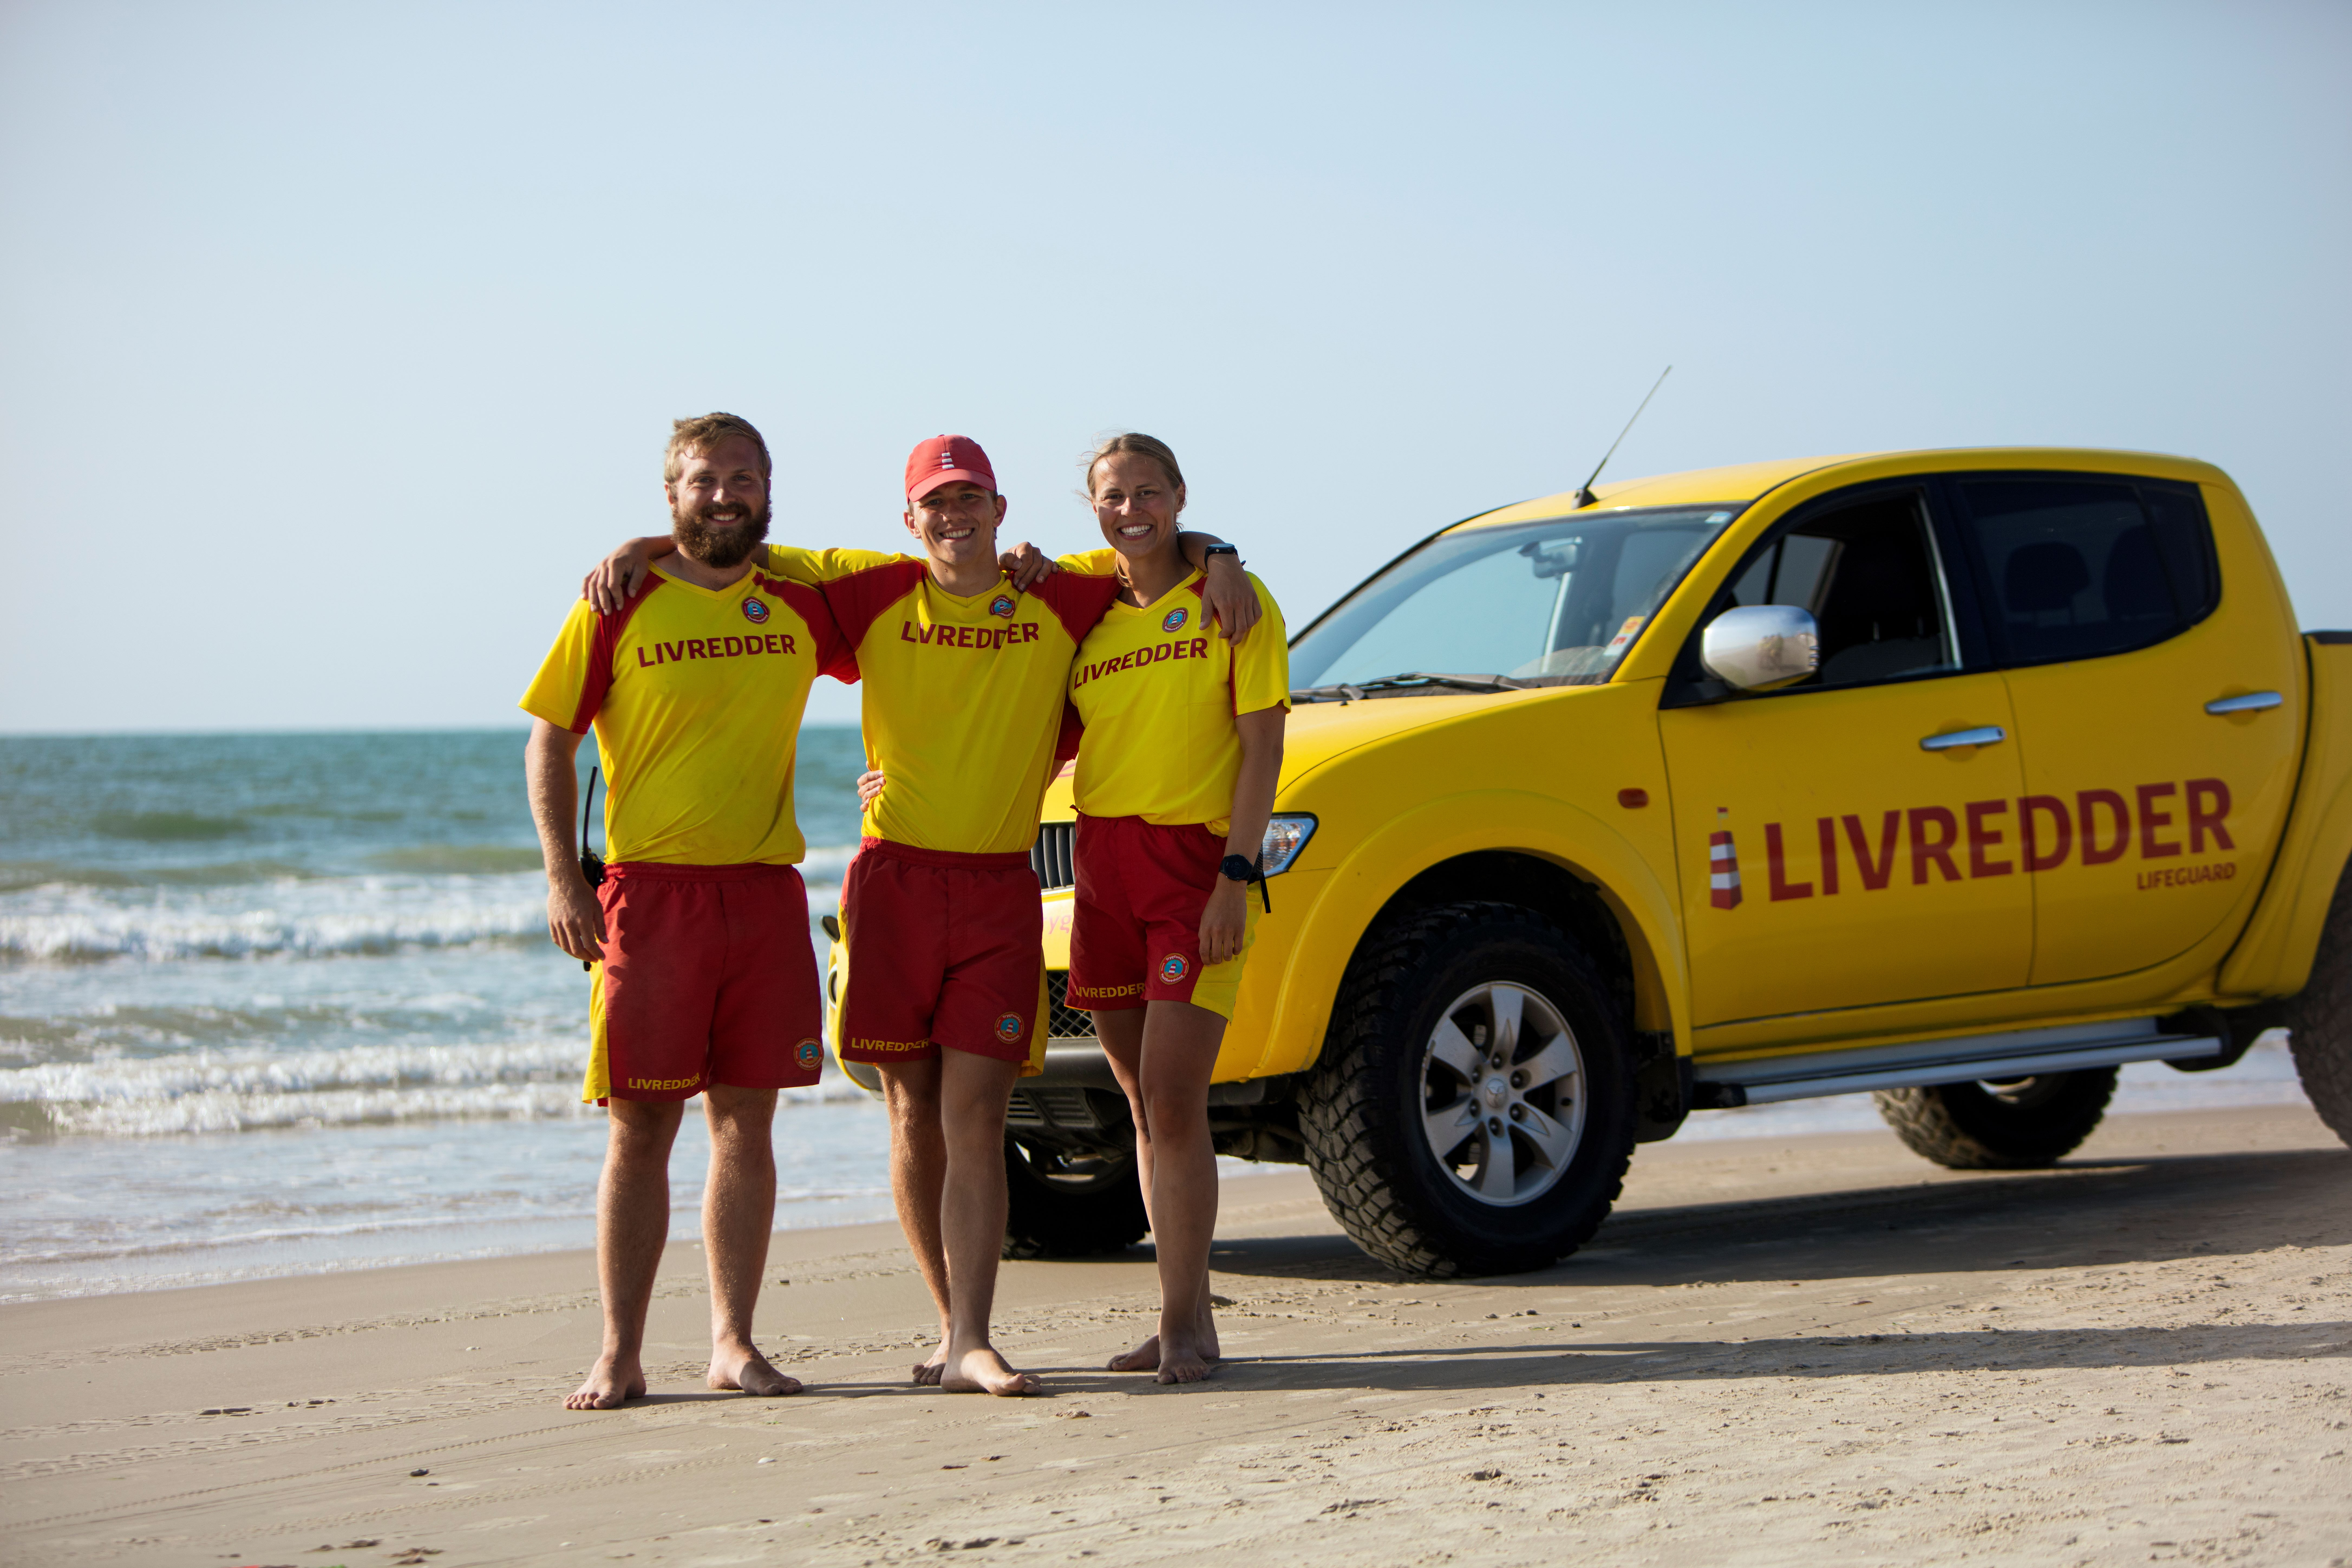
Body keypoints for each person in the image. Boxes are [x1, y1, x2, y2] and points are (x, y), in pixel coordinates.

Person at [583, 436, 1257, 1396]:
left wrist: (1219, 553)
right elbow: (733, 547)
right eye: (935, 503)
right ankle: (951, 1328)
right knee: (909, 1112)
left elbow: (1151, 545)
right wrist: (647, 545)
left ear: (1000, 507)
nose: (954, 517)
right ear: (911, 518)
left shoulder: (1058, 594)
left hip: (996, 883)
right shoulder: (873, 588)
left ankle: (979, 1338)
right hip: (891, 881)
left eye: (970, 498)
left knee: (978, 1114)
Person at [521, 412, 856, 1411]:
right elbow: (549, 740)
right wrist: (561, 879)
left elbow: (931, 581)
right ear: (671, 495)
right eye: (704, 480)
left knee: (747, 1128)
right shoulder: (616, 602)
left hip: (763, 896)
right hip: (650, 899)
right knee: (640, 1129)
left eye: (743, 478)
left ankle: (732, 1345)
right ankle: (620, 1352)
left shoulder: (803, 599)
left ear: (768, 493)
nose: (724, 495)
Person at [1064, 433, 1288, 1385]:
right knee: (1139, 1104)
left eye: (1149, 492)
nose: (1132, 510)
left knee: (1172, 1095)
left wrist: (1235, 875)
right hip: (1103, 862)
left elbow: (1263, 746)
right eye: (1114, 496)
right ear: (1096, 509)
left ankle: (1184, 1325)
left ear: (1180, 497)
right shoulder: (1084, 606)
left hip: (1197, 865)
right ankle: (1184, 1323)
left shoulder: (1232, 599)